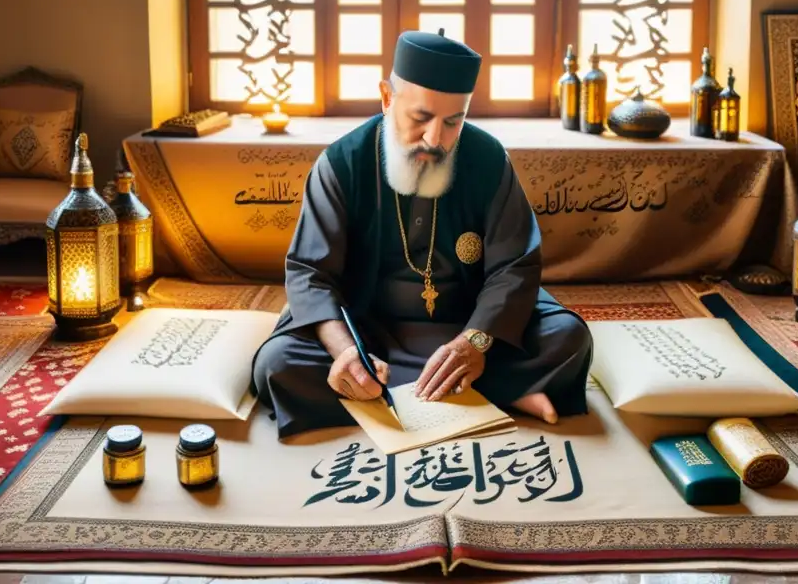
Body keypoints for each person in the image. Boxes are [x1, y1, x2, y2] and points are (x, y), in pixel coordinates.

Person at [251, 29, 593, 436]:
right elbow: (310, 273)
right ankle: (497, 394)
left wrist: (476, 343)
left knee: (569, 338)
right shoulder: (342, 163)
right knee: (277, 365)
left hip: (470, 322)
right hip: (369, 332)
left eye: (453, 121)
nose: (435, 138)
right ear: (386, 97)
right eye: (421, 118)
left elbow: (515, 267)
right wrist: (346, 352)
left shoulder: (487, 160)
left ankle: (396, 398)